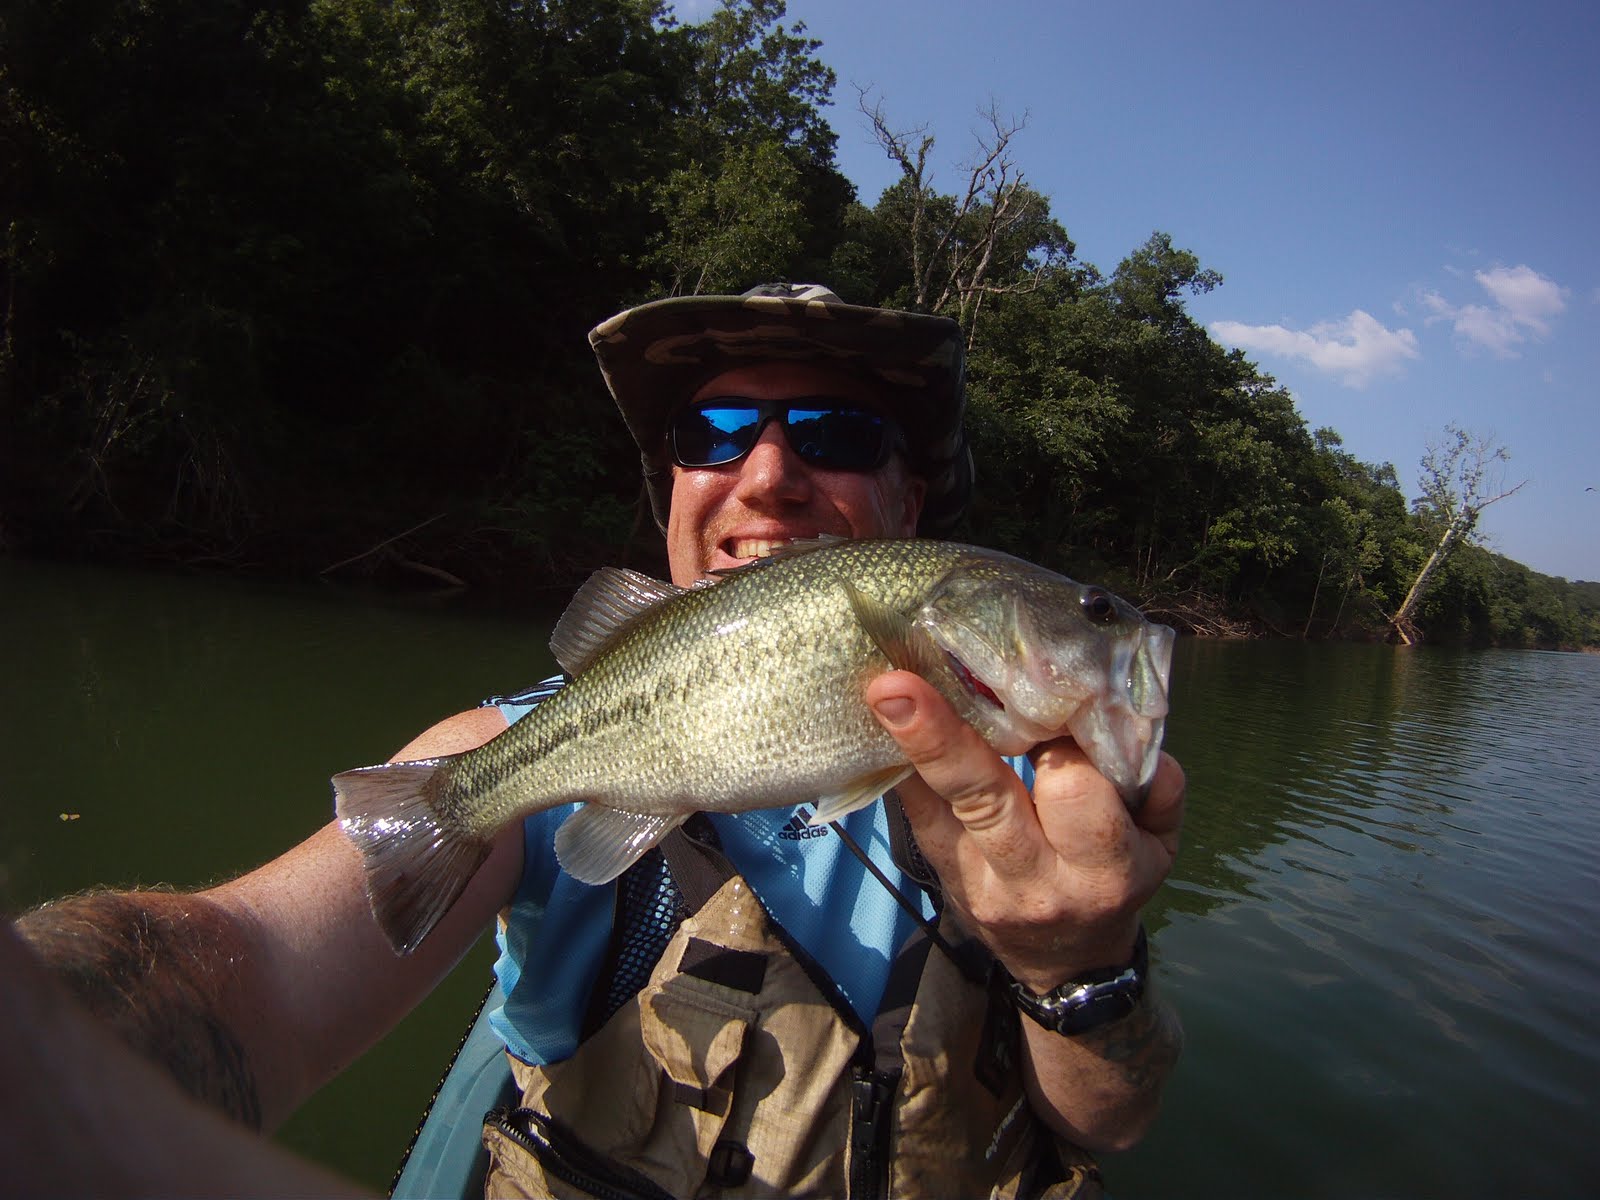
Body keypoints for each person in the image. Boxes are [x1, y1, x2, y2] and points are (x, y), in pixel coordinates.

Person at [17, 284, 1184, 1198]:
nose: (766, 474)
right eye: (712, 429)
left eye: (834, 430)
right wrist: (44, 1038)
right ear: (671, 483)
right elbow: (258, 963)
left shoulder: (1042, 817)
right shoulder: (507, 743)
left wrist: (1076, 964)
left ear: (909, 507)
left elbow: (1108, 1125)